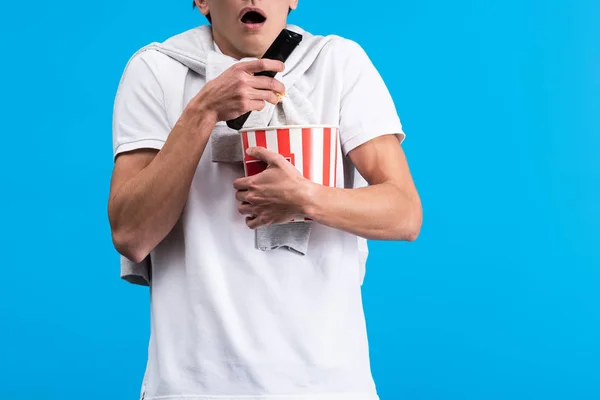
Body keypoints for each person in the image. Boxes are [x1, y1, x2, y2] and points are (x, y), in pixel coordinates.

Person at [108, 0, 422, 399]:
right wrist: (203, 111)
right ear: (202, 1)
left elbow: (404, 213)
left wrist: (306, 198)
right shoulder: (156, 70)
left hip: (325, 385)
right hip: (193, 385)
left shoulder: (338, 64)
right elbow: (131, 234)